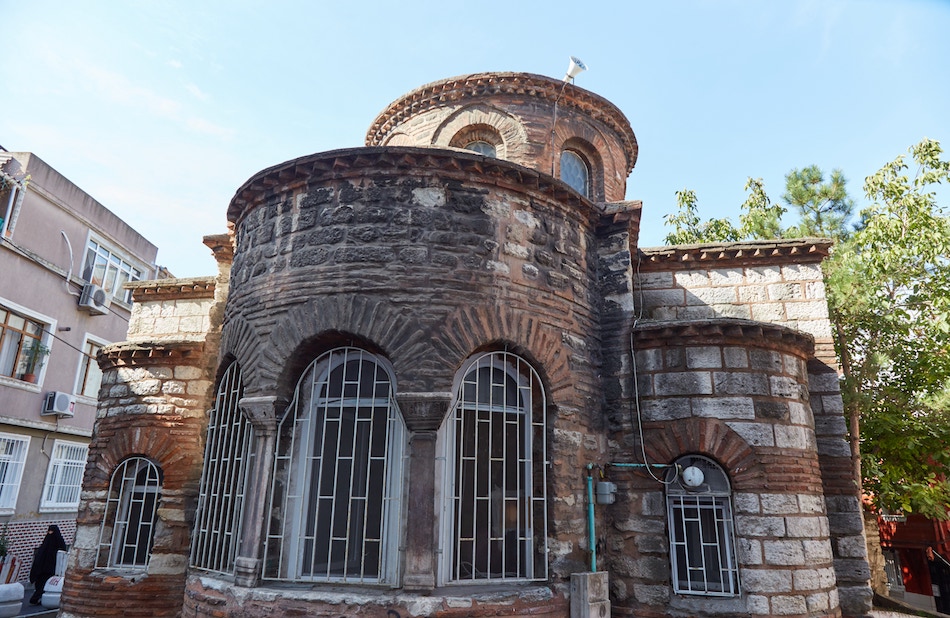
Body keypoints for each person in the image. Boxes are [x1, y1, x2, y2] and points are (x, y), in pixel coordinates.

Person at [29, 525, 67, 605]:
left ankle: (36, 598)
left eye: (51, 531)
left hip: (49, 568)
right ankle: (37, 598)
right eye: (49, 531)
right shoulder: (49, 542)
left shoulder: (55, 541)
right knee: (41, 584)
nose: (50, 533)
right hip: (45, 568)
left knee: (43, 584)